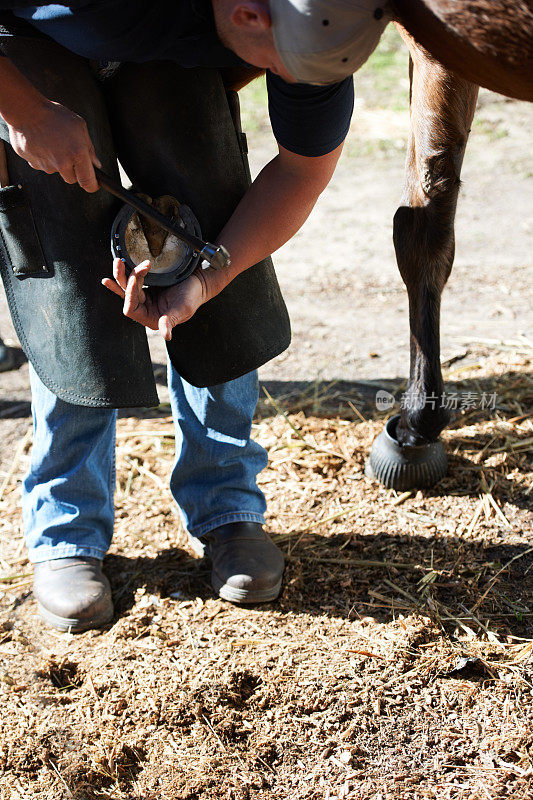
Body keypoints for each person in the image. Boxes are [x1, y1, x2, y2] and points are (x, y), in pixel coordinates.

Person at [0, 0, 391, 631]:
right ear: (247, 16)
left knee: (213, 204)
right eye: (282, 71)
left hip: (167, 50)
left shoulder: (322, 29)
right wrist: (23, 111)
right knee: (71, 282)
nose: (295, 86)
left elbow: (301, 172)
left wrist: (209, 279)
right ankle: (65, 530)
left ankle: (228, 507)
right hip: (31, 38)